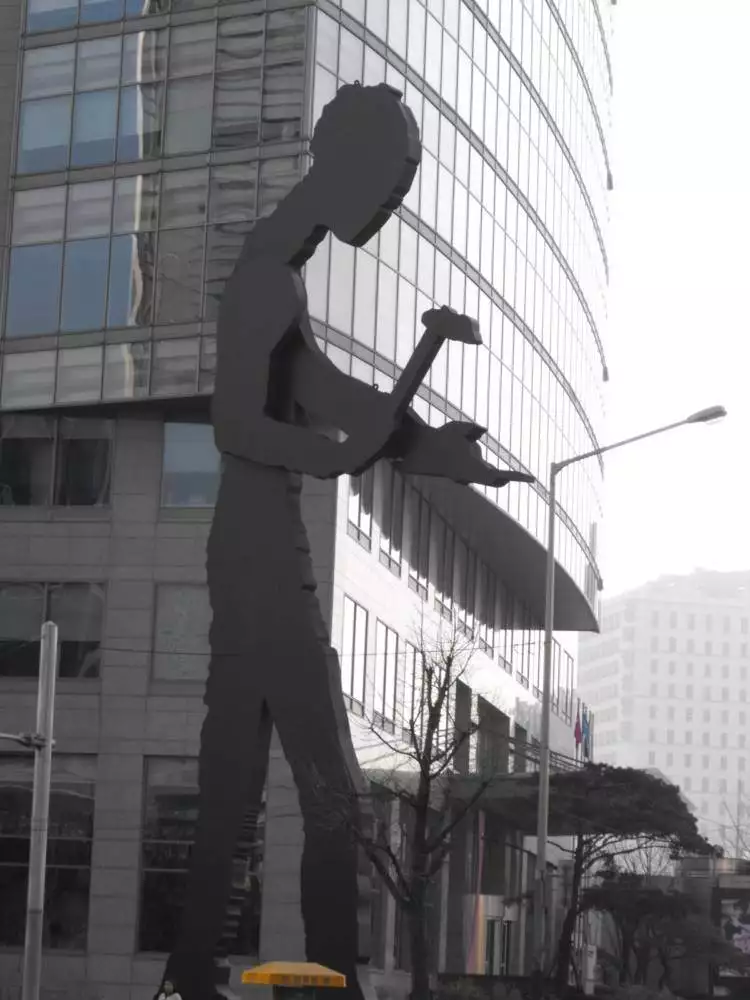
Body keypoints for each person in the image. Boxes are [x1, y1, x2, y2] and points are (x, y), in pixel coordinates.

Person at [161, 83, 527, 1000]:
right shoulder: (264, 278)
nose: (390, 207)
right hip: (259, 562)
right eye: (389, 185)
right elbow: (236, 424)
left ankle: (194, 974)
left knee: (235, 782)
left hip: (252, 554)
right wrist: (330, 457)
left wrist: (433, 450)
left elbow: (328, 394)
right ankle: (328, 980)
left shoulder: (277, 272)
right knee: (334, 796)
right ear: (344, 165)